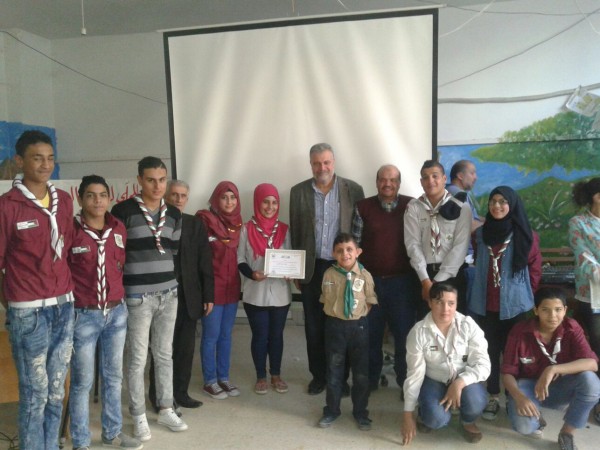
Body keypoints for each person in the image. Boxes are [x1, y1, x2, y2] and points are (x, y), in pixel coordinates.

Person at [0, 130, 75, 450]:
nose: (45, 165)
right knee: (34, 393)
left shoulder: (64, 201)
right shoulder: (7, 206)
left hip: (64, 305)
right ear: (20, 161)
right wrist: (13, 302)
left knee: (56, 390)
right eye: (37, 158)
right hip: (28, 311)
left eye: (50, 158)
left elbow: (67, 249)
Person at [111, 156, 187, 442]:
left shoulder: (174, 214)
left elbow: (173, 251)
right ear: (140, 180)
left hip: (169, 294)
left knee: (164, 354)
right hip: (137, 296)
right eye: (151, 180)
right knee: (137, 358)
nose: (157, 186)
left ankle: (165, 408)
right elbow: (116, 254)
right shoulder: (123, 211)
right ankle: (138, 415)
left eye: (162, 180)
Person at [68, 175, 141, 450]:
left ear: (109, 198)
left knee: (113, 377)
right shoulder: (71, 230)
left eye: (102, 195)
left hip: (116, 313)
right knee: (82, 381)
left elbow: (119, 266)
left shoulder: (119, 228)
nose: (97, 201)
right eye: (90, 195)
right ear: (80, 198)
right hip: (83, 315)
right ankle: (81, 440)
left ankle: (112, 432)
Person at [290, 142, 365, 395]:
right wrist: (298, 270)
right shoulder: (298, 192)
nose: (322, 167)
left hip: (341, 268)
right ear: (310, 164)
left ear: (333, 162)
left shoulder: (353, 190)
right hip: (312, 269)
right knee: (314, 327)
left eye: (326, 162)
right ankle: (319, 377)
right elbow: (297, 231)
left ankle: (340, 379)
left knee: (341, 327)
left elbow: (358, 231)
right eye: (316, 163)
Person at [468, 186, 542, 421]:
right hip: (486, 304)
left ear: (512, 204)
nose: (497, 206)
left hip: (515, 306)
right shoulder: (480, 235)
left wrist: (525, 294)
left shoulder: (526, 234)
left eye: (502, 201)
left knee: (514, 353)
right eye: (493, 201)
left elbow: (535, 269)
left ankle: (513, 397)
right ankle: (492, 395)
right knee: (489, 351)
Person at [501, 287, 600, 450]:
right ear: (536, 310)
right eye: (545, 310)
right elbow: (507, 373)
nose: (553, 316)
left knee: (591, 382)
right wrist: (519, 397)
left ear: (565, 310)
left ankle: (567, 433)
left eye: (558, 310)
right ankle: (535, 417)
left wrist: (553, 370)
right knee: (525, 427)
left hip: (560, 387)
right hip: (529, 387)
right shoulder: (520, 331)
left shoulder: (571, 327)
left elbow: (592, 363)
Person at [351, 164, 418, 393]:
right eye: (383, 179)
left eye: (392, 180)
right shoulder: (362, 207)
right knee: (370, 335)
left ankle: (405, 383)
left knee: (404, 336)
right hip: (371, 283)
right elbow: (355, 248)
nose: (387, 184)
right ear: (376, 182)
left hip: (403, 283)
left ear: (399, 183)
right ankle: (369, 380)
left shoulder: (412, 206)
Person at [401, 282, 490, 446]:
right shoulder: (418, 332)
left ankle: (467, 421)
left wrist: (459, 383)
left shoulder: (468, 325)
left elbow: (483, 365)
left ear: (456, 304)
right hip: (433, 379)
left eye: (451, 303)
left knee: (476, 401)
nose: (445, 309)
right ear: (429, 303)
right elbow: (414, 375)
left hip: (464, 379)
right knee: (435, 419)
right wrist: (408, 415)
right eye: (439, 302)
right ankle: (426, 412)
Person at [317, 233, 377, 431]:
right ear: (333, 254)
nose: (345, 254)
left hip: (358, 328)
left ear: (358, 252)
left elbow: (370, 301)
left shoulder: (365, 275)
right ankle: (331, 410)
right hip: (335, 327)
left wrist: (357, 317)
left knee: (361, 374)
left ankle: (360, 412)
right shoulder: (329, 274)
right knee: (334, 371)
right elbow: (325, 299)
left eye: (349, 249)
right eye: (340, 251)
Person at [237, 183, 292, 395]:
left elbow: (291, 257)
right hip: (255, 293)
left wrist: (291, 271)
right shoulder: (246, 229)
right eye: (265, 202)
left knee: (276, 336)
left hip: (280, 293)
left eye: (274, 202)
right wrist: (252, 274)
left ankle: (276, 375)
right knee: (260, 336)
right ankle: (261, 376)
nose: (270, 207)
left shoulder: (285, 229)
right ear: (257, 203)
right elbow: (240, 259)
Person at [166, 180, 214, 407]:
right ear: (166, 196)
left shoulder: (195, 224)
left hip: (189, 298)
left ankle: (181, 393)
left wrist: (208, 295)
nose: (178, 199)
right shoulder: (157, 223)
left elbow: (205, 261)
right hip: (163, 297)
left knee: (185, 350)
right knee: (163, 350)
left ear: (187, 198)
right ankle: (160, 397)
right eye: (174, 194)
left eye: (183, 195)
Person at [404, 160, 472, 319]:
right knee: (426, 324)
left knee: (454, 324)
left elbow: (460, 247)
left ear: (444, 178)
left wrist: (437, 282)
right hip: (423, 276)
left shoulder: (461, 207)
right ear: (421, 182)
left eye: (435, 176)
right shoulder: (414, 207)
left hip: (452, 276)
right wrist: (426, 281)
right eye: (425, 177)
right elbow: (412, 244)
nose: (430, 181)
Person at [197, 181, 243, 399]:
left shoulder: (238, 224)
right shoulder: (204, 220)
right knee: (211, 336)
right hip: (212, 290)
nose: (229, 202)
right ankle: (210, 380)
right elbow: (200, 258)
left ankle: (223, 377)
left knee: (226, 336)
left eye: (233, 197)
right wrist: (204, 293)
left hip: (232, 288)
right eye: (224, 197)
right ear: (216, 199)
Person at [568, 177, 600, 423]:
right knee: (596, 349)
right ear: (597, 197)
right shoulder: (579, 223)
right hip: (592, 297)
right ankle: (596, 401)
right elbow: (584, 258)